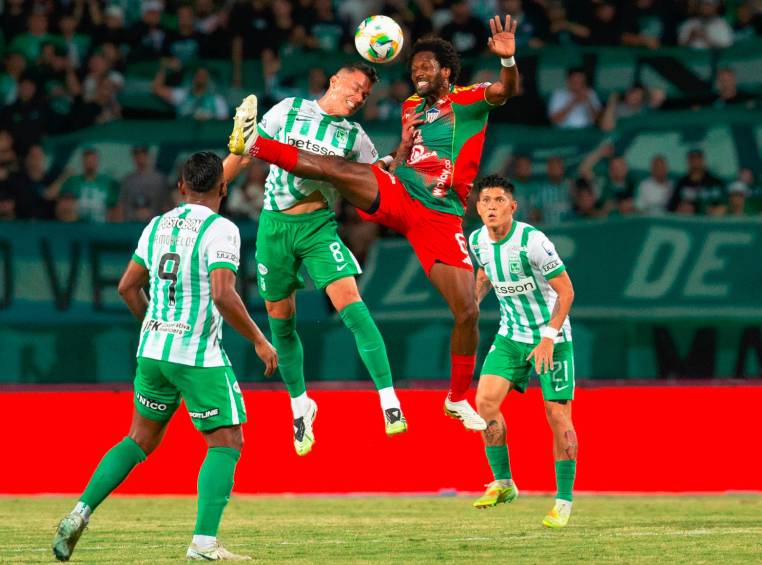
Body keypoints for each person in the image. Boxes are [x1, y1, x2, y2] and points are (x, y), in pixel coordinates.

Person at [228, 16, 521, 431]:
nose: (417, 72)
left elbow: (506, 90)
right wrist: (400, 148)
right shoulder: (410, 107)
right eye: (413, 66)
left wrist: (507, 62)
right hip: (397, 194)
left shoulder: (470, 100)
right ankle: (255, 141)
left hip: (439, 216)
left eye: (426, 66)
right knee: (335, 169)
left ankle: (456, 399)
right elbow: (396, 163)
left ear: (447, 72)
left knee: (468, 311)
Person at [52, 152, 278, 562]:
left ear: (180, 187)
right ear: (223, 189)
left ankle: (79, 512)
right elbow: (224, 294)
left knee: (138, 439)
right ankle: (204, 544)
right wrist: (260, 341)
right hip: (196, 355)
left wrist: (152, 324)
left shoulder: (156, 225)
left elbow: (126, 287)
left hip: (152, 352)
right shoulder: (222, 229)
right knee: (227, 441)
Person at [223, 62, 408, 456]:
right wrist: (212, 192)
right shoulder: (287, 110)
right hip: (274, 229)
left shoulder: (355, 137)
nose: (359, 98)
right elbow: (244, 153)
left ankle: (389, 401)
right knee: (282, 324)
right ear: (334, 81)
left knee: (353, 308)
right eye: (356, 87)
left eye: (365, 95)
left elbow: (375, 176)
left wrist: (401, 158)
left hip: (319, 228)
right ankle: (300, 405)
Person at [467, 174, 577, 529]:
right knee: (484, 403)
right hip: (510, 336)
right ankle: (504, 482)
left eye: (499, 200)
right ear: (478, 207)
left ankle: (563, 502)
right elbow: (485, 275)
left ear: (513, 207)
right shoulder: (477, 241)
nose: (491, 207)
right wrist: (470, 306)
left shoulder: (534, 241)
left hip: (552, 340)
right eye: (485, 200)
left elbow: (566, 292)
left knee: (558, 418)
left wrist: (548, 335)